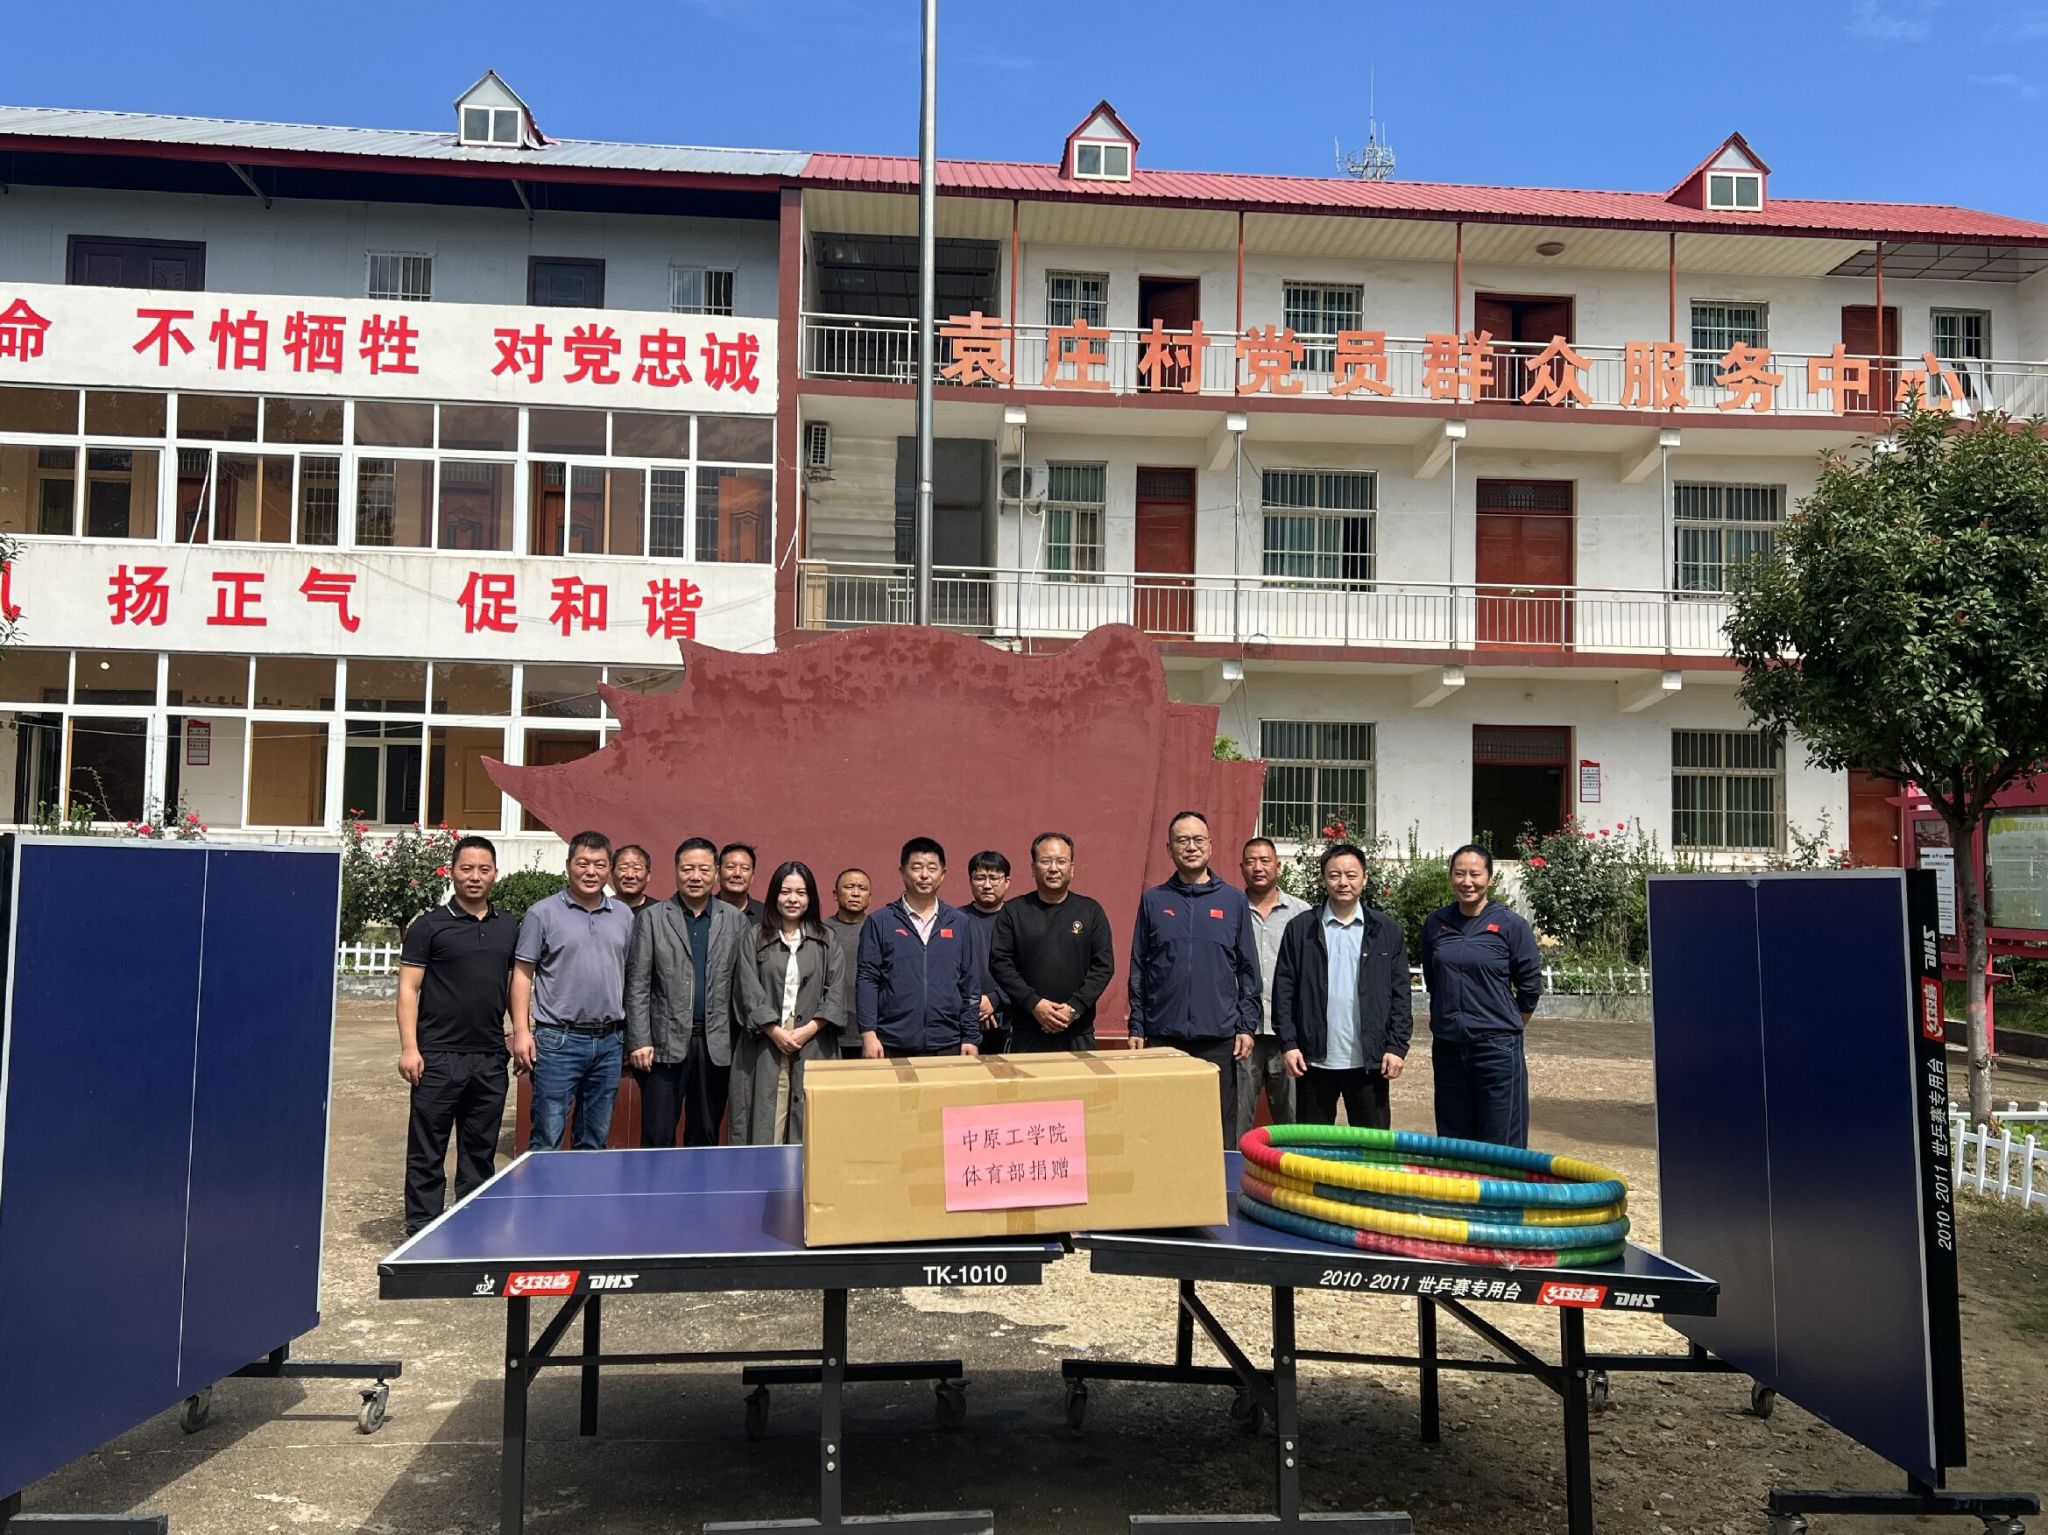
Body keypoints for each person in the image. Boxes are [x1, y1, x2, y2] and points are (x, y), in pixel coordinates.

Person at [395, 834, 517, 1236]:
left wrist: (520, 1032)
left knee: (480, 1149)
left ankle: (472, 1223)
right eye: (466, 869)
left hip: (489, 1056)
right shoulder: (429, 926)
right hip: (437, 1055)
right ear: (452, 872)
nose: (475, 877)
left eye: (483, 869)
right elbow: (408, 988)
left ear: (495, 874)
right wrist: (409, 1048)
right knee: (427, 1147)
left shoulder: (507, 927)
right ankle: (422, 1226)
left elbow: (515, 985)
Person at [1127, 810, 1261, 1145]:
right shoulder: (1154, 901)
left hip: (1218, 1038)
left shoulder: (1233, 900)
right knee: (1163, 1128)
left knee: (1216, 1131)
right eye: (1182, 840)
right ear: (1169, 849)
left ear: (1210, 845)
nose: (1191, 847)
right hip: (1163, 1038)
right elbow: (1139, 967)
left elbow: (1247, 969)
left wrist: (1247, 1025)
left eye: (1198, 839)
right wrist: (1137, 1026)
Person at [1272, 843, 1412, 1130]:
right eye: (1334, 875)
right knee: (1313, 1147)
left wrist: (1396, 1046)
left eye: (1351, 875)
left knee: (1372, 1146)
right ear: (1324, 879)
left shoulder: (1386, 930)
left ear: (1365, 878)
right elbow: (1284, 991)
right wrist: (1289, 1044)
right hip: (1312, 1061)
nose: (1343, 882)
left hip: (1370, 1062)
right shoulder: (1301, 929)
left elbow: (1401, 994)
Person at [510, 832, 635, 1151]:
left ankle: (585, 1186)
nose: (591, 871)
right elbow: (522, 974)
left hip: (609, 1041)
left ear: (609, 870)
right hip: (558, 1041)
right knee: (547, 1137)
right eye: (583, 863)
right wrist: (521, 1031)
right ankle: (544, 1187)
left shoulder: (623, 915)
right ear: (568, 866)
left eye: (599, 864)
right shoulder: (542, 913)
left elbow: (629, 974)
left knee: (594, 1139)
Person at [626, 837, 750, 1147]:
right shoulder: (652, 918)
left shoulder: (734, 920)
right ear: (676, 871)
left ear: (716, 873)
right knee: (657, 1134)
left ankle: (700, 1181)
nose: (695, 877)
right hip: (663, 1045)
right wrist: (639, 1039)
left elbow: (744, 984)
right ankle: (656, 1181)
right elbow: (638, 984)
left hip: (716, 1045)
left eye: (704, 870)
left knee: (705, 1133)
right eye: (687, 869)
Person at [1420, 844, 1543, 1148]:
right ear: (1451, 876)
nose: (1467, 882)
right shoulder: (1436, 923)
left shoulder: (1511, 925)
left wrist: (1507, 1024)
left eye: (1475, 874)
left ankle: (1504, 1185)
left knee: (1501, 1139)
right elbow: (1434, 978)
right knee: (1455, 1141)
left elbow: (1530, 986)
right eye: (1459, 874)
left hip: (1496, 1049)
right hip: (1448, 1047)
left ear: (1489, 877)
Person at [731, 861, 847, 1143]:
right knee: (767, 1118)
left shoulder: (826, 939)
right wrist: (774, 1031)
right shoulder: (755, 937)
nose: (793, 899)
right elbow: (748, 988)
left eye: (800, 893)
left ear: (811, 898)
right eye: (785, 892)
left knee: (810, 1123)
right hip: (767, 1040)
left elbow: (835, 991)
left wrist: (808, 1030)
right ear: (774, 895)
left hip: (814, 1039)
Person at [989, 832, 1115, 1052]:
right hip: (1027, 1033)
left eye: (1061, 861)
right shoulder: (1014, 912)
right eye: (1046, 861)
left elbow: (1103, 967)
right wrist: (1034, 1005)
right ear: (1033, 868)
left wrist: (1074, 1009)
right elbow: (1000, 963)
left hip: (1078, 1033)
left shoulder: (1091, 911)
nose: (1054, 868)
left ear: (1072, 868)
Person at [857, 837, 980, 1058]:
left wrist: (971, 1036)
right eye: (916, 867)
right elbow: (867, 980)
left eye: (932, 868)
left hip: (948, 1042)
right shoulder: (880, 921)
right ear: (902, 872)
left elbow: (970, 983)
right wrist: (868, 1034)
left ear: (943, 874)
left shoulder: (959, 923)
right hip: (891, 1042)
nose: (924, 875)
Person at [1238, 836, 1312, 1137]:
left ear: (1278, 866)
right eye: (1251, 861)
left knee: (1292, 1123)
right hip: (1243, 1034)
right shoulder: (1232, 909)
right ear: (1241, 867)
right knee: (1237, 1122)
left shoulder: (1301, 913)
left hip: (1288, 1035)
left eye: (1265, 861)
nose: (1258, 867)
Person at [962, 850, 1012, 1055]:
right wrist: (974, 1004)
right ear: (970, 881)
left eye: (994, 878)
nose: (987, 885)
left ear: (1007, 882)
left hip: (1013, 1021)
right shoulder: (956, 920)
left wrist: (995, 999)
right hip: (964, 1023)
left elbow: (1030, 967)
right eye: (980, 878)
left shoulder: (1020, 918)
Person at [825, 868, 872, 1059]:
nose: (856, 893)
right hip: (828, 1032)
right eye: (849, 887)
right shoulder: (821, 931)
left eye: (862, 888)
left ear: (870, 897)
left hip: (870, 1035)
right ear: (835, 894)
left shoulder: (878, 929)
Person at [719, 842, 768, 922]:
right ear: (718, 874)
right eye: (730, 867)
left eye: (745, 868)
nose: (737, 874)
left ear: (752, 877)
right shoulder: (705, 910)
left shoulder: (765, 915)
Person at [612, 844, 656, 912]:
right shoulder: (600, 911)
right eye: (623, 868)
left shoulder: (660, 912)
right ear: (612, 873)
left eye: (637, 869)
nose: (630, 875)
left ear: (648, 876)